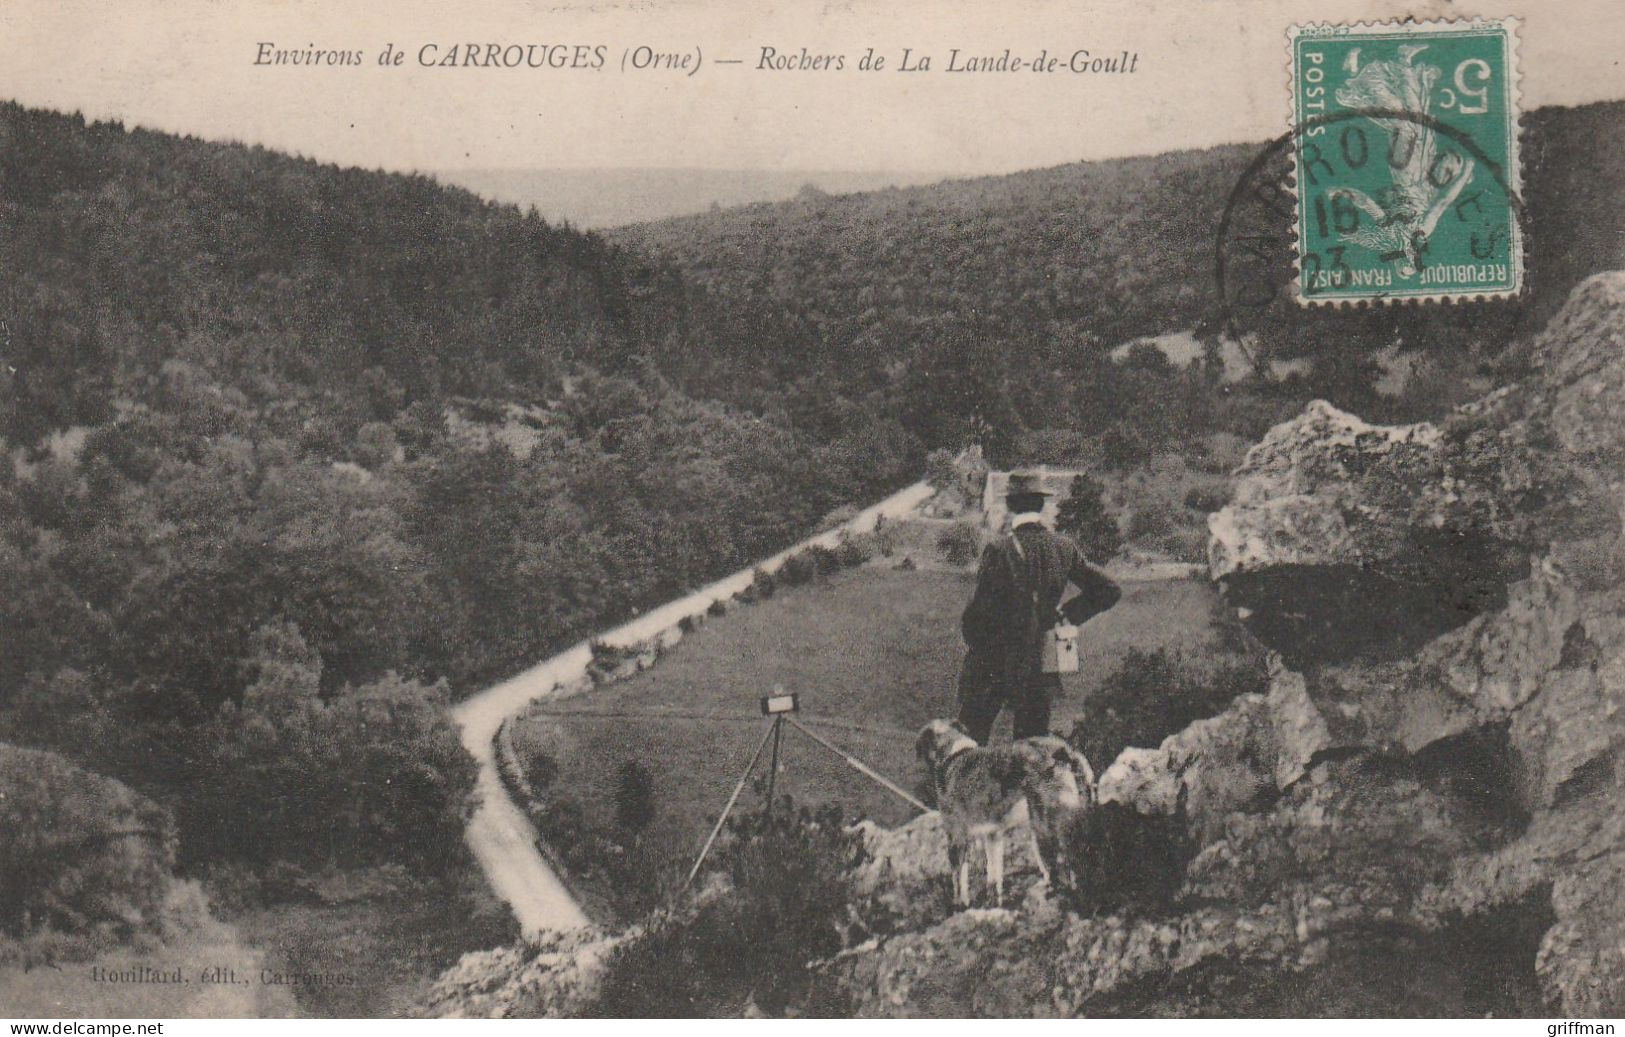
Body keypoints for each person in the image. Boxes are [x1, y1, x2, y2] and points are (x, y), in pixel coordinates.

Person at [957, 471, 1121, 744]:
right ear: (1042, 504)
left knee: (968, 745)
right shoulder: (1063, 547)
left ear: (1009, 505)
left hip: (994, 661)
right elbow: (1108, 590)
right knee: (1033, 754)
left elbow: (976, 617)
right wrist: (1065, 616)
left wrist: (980, 646)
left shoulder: (999, 550)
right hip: (1040, 661)